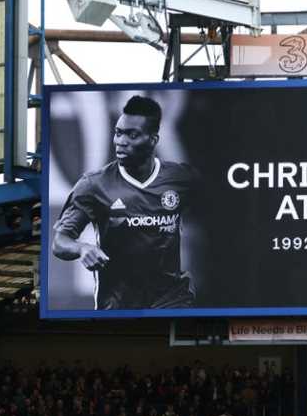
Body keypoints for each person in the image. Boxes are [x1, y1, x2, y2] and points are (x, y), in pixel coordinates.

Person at [52, 95, 200, 310]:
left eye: (132, 135)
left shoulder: (180, 178)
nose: (121, 141)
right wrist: (82, 248)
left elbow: (218, 210)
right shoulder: (94, 185)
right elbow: (60, 241)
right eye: (118, 133)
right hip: (119, 307)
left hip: (172, 300)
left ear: (153, 139)